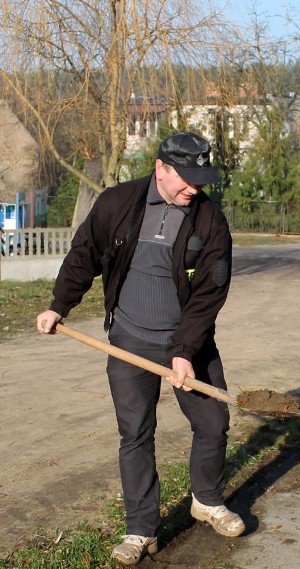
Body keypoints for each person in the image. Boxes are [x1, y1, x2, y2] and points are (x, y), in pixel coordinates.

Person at [36, 132, 244, 565]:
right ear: (161, 168)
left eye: (201, 180)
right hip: (129, 339)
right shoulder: (118, 204)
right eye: (187, 179)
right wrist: (59, 306)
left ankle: (205, 500)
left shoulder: (210, 220)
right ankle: (140, 530)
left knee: (212, 423)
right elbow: (83, 255)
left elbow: (210, 291)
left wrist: (185, 350)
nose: (195, 189)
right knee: (135, 435)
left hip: (188, 342)